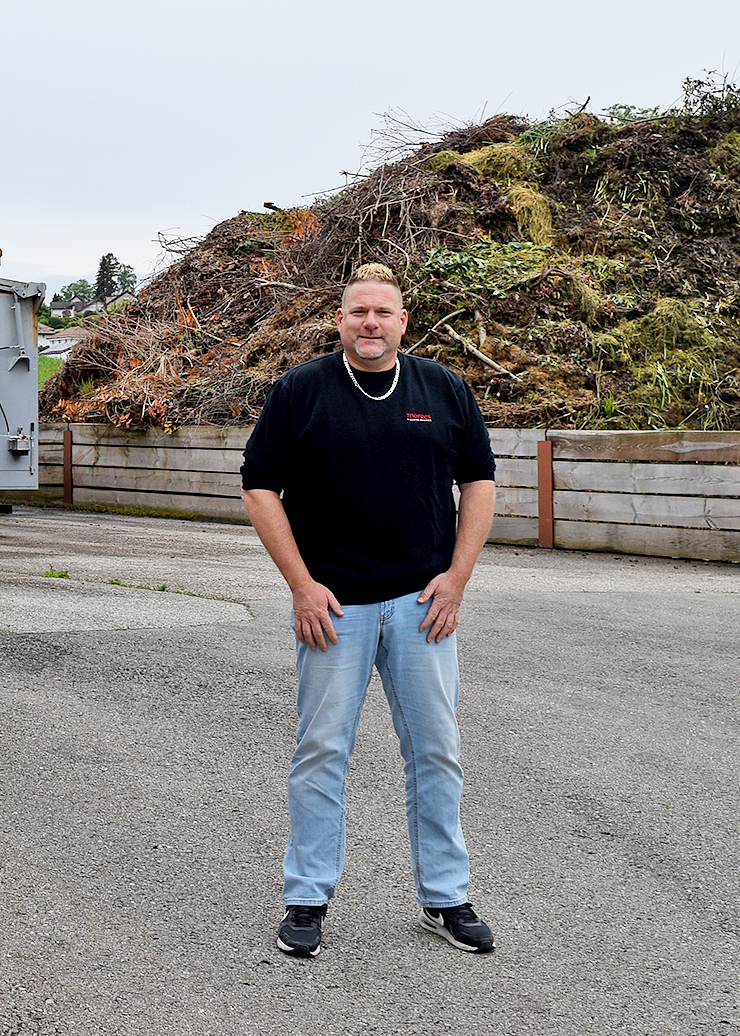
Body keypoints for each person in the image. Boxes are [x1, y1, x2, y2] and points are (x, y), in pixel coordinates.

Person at [240, 262, 499, 959]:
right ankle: (306, 898)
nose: (370, 323)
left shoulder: (442, 388)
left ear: (402, 321)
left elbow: (479, 480)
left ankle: (446, 896)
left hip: (422, 607)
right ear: (340, 319)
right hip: (334, 609)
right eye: (358, 311)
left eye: (383, 311)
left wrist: (457, 578)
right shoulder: (300, 392)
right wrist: (299, 584)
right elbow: (259, 486)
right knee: (322, 751)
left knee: (436, 752)